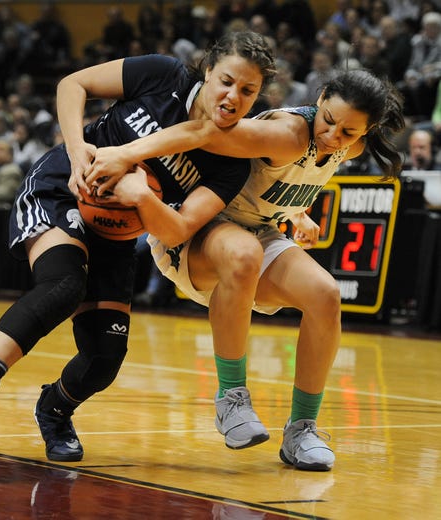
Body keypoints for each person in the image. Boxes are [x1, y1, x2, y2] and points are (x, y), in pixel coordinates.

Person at [0, 31, 276, 462]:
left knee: (105, 357)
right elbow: (73, 84)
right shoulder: (164, 75)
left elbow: (178, 230)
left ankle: (54, 410)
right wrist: (77, 153)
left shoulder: (234, 160)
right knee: (64, 284)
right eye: (226, 81)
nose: (233, 97)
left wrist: (142, 196)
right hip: (62, 191)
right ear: (207, 70)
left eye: (247, 91)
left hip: (119, 231)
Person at [84, 68, 405, 471]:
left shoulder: (351, 148)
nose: (332, 137)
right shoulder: (286, 134)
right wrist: (127, 153)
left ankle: (301, 429)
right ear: (320, 98)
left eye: (348, 133)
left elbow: (281, 181)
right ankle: (231, 399)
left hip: (257, 230)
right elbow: (201, 132)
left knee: (325, 295)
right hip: (197, 224)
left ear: (367, 131)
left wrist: (297, 212)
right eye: (328, 121)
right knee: (244, 253)